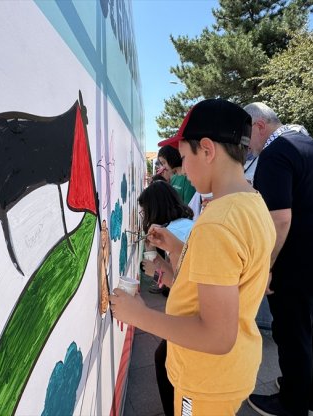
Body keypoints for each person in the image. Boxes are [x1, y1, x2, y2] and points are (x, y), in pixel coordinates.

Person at [110, 99, 275, 415]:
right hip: (230, 368)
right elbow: (233, 284)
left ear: (208, 150)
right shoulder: (252, 203)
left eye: (185, 157)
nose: (182, 169)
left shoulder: (218, 222)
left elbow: (216, 336)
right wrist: (176, 249)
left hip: (205, 379)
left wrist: (138, 315)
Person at [244, 102, 313, 416]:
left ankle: (292, 404)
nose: (246, 144)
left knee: (293, 337)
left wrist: (267, 265)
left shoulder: (276, 153)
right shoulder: (310, 145)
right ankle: (310, 397)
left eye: (246, 134)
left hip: (296, 266)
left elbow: (279, 220)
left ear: (260, 125)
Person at [136, 180, 195, 416]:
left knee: (171, 366)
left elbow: (180, 283)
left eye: (144, 211)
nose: (142, 216)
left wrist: (155, 272)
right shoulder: (184, 225)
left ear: (154, 208)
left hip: (191, 319)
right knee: (163, 358)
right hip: (192, 315)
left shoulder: (175, 232)